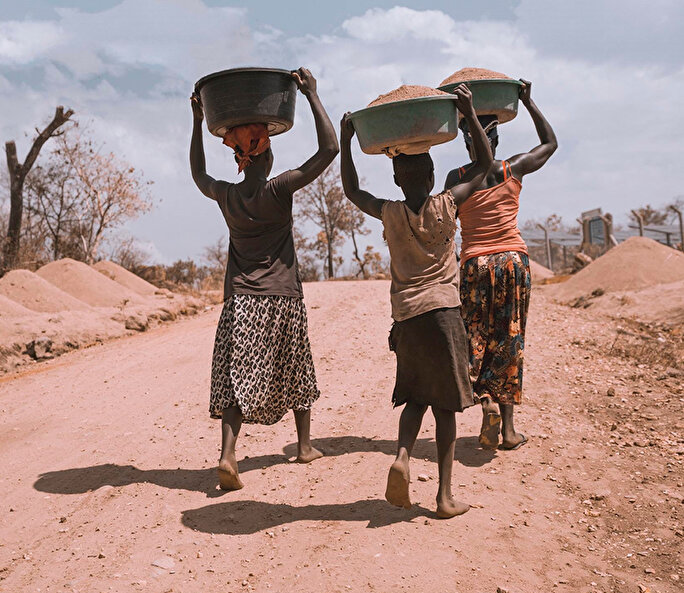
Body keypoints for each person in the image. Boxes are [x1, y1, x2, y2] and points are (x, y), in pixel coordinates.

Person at [340, 84, 492, 518]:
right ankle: (443, 497)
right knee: (445, 407)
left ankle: (403, 456)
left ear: (396, 178)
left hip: (407, 318)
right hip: (445, 313)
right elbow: (482, 165)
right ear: (430, 175)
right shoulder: (448, 203)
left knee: (414, 398)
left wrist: (349, 140)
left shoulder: (389, 211)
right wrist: (467, 112)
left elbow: (352, 191)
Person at [190, 67, 338, 491]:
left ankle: (227, 454)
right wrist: (312, 95)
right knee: (297, 370)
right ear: (265, 157)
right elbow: (328, 150)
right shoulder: (279, 189)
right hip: (283, 298)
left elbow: (198, 175)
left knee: (239, 377)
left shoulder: (228, 195)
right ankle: (305, 445)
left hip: (241, 301)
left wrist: (198, 122)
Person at [443, 79, 558, 451]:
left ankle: (486, 402)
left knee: (475, 339)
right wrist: (528, 101)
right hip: (513, 261)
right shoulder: (513, 169)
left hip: (476, 264)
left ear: (466, 139)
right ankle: (508, 431)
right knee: (510, 340)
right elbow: (550, 144)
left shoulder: (456, 179)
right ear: (496, 140)